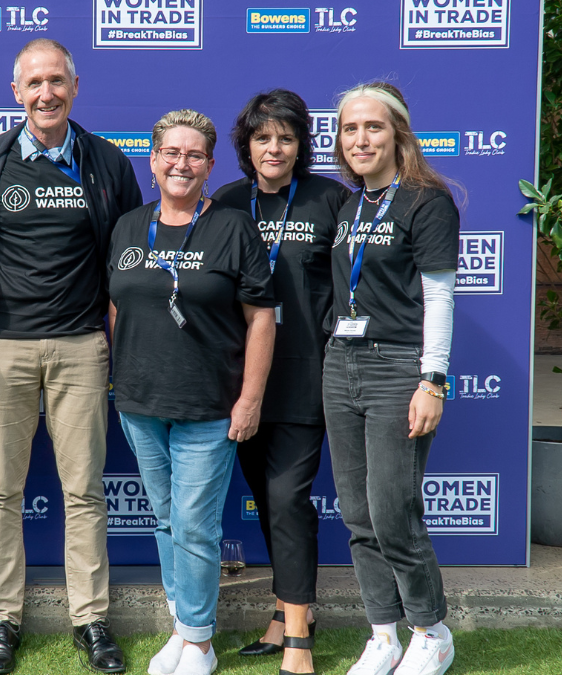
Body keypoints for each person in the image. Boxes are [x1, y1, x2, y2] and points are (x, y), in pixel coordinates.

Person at [0, 38, 142, 675]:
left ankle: (91, 620)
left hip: (81, 347)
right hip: (3, 345)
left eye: (56, 80)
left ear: (75, 85)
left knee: (85, 492)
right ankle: (1, 620)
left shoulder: (108, 164)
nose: (46, 93)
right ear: (16, 92)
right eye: (33, 82)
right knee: (1, 492)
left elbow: (125, 264)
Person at [108, 109, 276, 675]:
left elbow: (260, 318)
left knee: (196, 524)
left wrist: (249, 399)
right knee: (163, 519)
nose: (181, 163)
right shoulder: (129, 226)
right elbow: (117, 307)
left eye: (194, 155)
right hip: (140, 403)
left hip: (209, 405)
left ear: (209, 165)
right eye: (171, 153)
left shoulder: (232, 227)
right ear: (152, 160)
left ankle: (199, 642)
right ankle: (183, 629)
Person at [212, 90, 350, 675]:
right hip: (240, 383)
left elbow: (355, 284)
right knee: (269, 501)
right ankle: (288, 612)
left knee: (289, 498)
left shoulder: (330, 200)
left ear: (301, 146)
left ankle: (298, 640)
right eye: (263, 138)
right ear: (246, 145)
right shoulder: (225, 202)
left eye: (286, 138)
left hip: (305, 378)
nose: (275, 148)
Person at [325, 81, 459, 675]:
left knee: (392, 512)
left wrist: (433, 379)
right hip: (340, 363)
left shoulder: (426, 202)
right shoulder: (348, 204)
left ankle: (430, 631)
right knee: (356, 513)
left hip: (397, 369)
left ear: (398, 134)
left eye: (373, 127)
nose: (360, 139)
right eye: (350, 129)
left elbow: (439, 297)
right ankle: (383, 634)